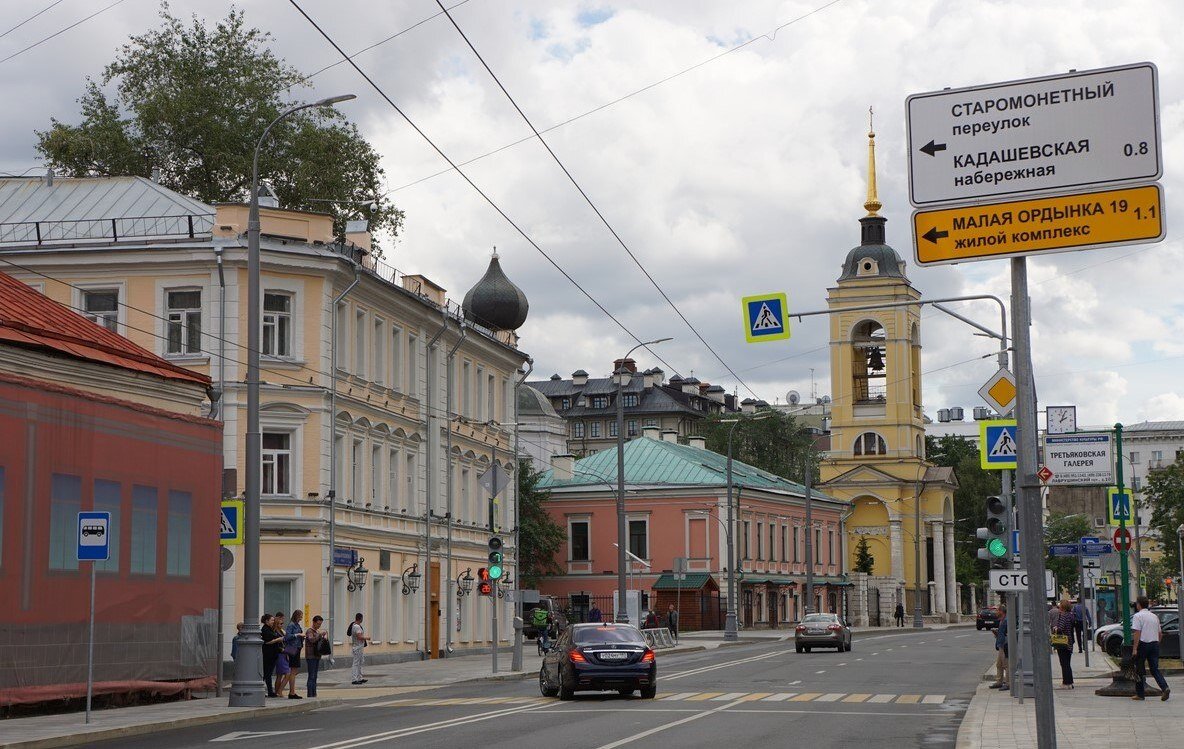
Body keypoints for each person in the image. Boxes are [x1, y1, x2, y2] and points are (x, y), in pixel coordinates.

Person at [1131, 596, 1170, 701]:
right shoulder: (1154, 616)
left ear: (1139, 604)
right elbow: (1160, 633)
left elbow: (1137, 633)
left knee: (1139, 669)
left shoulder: (1137, 616)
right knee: (1154, 669)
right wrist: (1157, 644)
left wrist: (1135, 648)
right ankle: (1165, 687)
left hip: (1143, 644)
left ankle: (1140, 694)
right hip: (1154, 644)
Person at [281, 610, 305, 699]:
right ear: (296, 616)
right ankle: (291, 692)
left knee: (294, 671)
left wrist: (301, 636)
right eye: (300, 616)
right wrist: (298, 635)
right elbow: (287, 637)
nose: (301, 618)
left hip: (297, 647)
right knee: (293, 671)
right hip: (292, 648)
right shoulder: (291, 625)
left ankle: (292, 691)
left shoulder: (297, 625)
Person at [1051, 599, 1075, 689]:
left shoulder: (1063, 615)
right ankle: (1070, 682)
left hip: (1062, 642)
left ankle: (1066, 683)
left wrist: (1055, 628)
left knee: (1064, 663)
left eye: (1060, 605)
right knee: (1067, 663)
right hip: (1069, 641)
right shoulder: (1070, 615)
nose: (1059, 606)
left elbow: (1060, 628)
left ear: (1063, 607)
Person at [260, 614, 284, 698]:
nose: (273, 622)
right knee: (267, 673)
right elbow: (267, 642)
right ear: (266, 621)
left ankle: (269, 691)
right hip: (268, 654)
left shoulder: (270, 629)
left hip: (273, 654)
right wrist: (278, 639)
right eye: (272, 620)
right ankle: (268, 691)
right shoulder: (265, 630)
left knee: (268, 673)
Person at [304, 615, 325, 698]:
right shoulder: (309, 631)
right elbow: (311, 640)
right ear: (314, 622)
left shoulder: (316, 631)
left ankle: (314, 693)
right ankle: (310, 694)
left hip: (316, 656)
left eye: (320, 624)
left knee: (315, 675)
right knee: (311, 675)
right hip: (311, 656)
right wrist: (319, 635)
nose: (319, 626)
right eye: (318, 624)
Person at [988, 603, 1008, 689]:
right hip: (1000, 645)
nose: (996, 612)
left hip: (1005, 645)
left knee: (1006, 665)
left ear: (1001, 611)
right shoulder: (1002, 620)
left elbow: (1007, 633)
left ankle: (1008, 683)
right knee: (999, 665)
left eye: (997, 610)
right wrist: (997, 633)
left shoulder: (1007, 620)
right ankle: (999, 681)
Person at [347, 612, 370, 685]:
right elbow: (359, 637)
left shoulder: (355, 625)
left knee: (360, 662)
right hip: (357, 647)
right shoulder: (356, 626)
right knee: (356, 663)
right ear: (361, 619)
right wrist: (367, 638)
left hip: (359, 647)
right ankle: (354, 679)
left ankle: (359, 677)